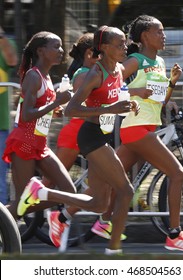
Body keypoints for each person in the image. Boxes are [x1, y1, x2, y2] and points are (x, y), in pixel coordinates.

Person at [17, 26, 139, 255]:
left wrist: (130, 103)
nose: (125, 47)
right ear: (103, 48)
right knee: (126, 190)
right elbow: (70, 110)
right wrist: (111, 108)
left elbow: (118, 94)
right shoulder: (95, 73)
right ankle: (114, 251)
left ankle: (43, 194)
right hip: (91, 137)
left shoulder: (119, 69)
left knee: (99, 203)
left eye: (125, 43)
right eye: (119, 44)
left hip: (104, 136)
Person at [116, 14, 183, 251]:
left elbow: (158, 98)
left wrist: (172, 85)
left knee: (105, 181)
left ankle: (64, 214)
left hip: (147, 127)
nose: (163, 36)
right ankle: (174, 235)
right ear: (145, 36)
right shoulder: (134, 60)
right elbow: (110, 85)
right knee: (177, 174)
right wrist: (136, 90)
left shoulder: (160, 63)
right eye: (159, 31)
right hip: (135, 129)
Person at [2, 31, 94, 219]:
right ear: (41, 51)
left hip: (40, 144)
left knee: (69, 191)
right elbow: (26, 115)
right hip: (25, 143)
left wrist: (54, 109)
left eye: (61, 46)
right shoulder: (33, 76)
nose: (61, 50)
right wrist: (55, 102)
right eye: (56, 46)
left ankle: (29, 201)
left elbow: (39, 109)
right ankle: (6, 224)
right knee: (21, 203)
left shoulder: (47, 77)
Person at [0, 26, 18, 205]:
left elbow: (12, 60)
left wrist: (1, 36)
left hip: (0, 122)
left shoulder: (5, 43)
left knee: (0, 175)